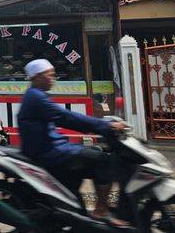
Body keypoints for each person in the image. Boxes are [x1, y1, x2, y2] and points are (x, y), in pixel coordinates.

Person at [17, 59, 128, 226]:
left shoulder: (37, 95)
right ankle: (101, 211)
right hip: (50, 152)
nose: (54, 78)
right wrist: (106, 126)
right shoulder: (36, 97)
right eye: (50, 75)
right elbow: (67, 117)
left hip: (52, 147)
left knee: (95, 152)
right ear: (38, 77)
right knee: (103, 161)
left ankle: (79, 212)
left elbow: (65, 119)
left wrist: (103, 124)